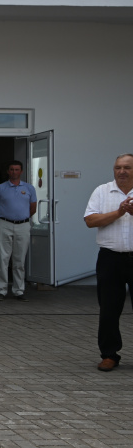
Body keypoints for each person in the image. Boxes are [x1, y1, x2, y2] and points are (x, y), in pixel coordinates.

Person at [83, 154, 133, 372]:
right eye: (118, 167)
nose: (122, 171)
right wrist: (118, 212)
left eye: (127, 167)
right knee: (109, 309)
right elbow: (90, 220)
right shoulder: (101, 191)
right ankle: (109, 355)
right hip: (110, 258)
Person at [0, 160, 37, 301]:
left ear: (21, 171)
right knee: (3, 258)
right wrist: (7, 218)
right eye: (11, 169)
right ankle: (1, 290)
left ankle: (18, 290)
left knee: (19, 260)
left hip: (23, 225)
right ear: (8, 171)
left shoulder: (29, 188)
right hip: (4, 224)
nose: (14, 172)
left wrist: (21, 218)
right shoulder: (0, 188)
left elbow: (33, 208)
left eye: (17, 169)